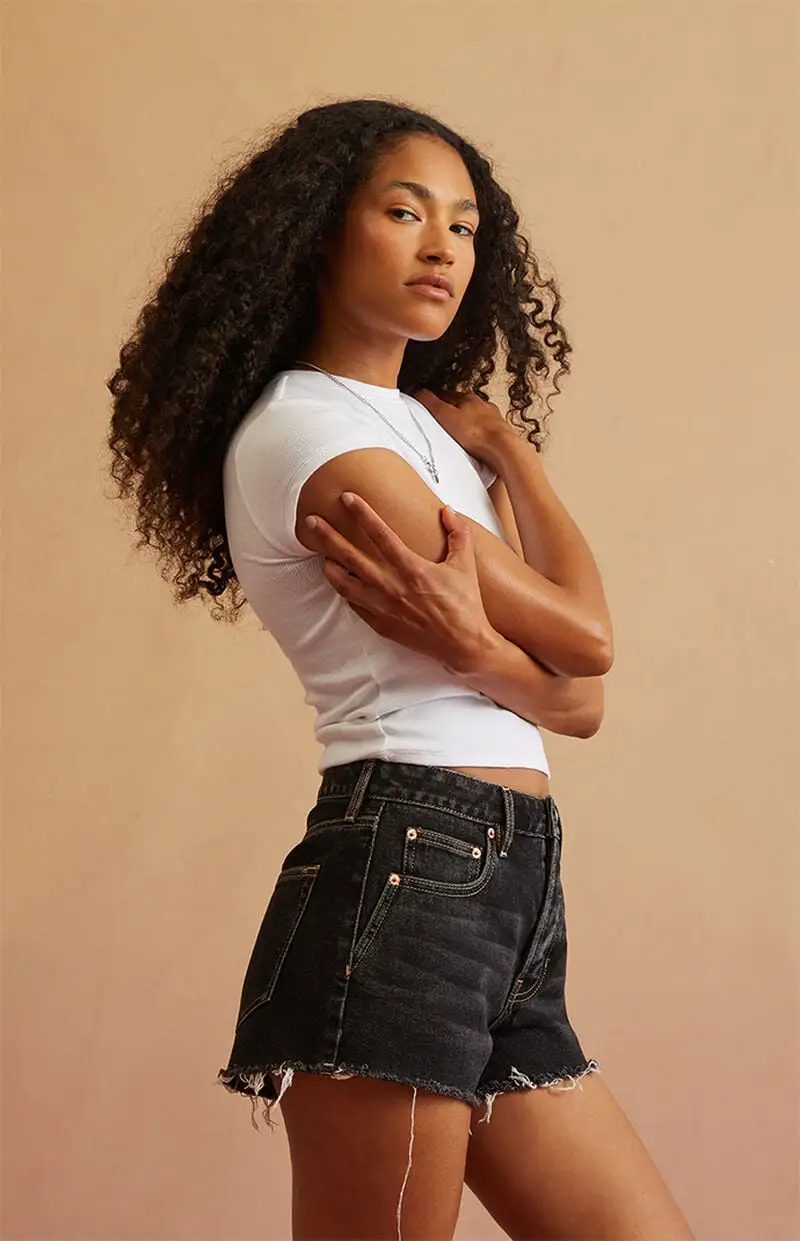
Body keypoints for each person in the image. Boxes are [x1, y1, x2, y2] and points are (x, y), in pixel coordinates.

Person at [106, 98, 695, 1241]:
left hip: (505, 886)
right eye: (404, 212)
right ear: (320, 229)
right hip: (408, 871)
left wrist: (507, 461)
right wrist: (508, 646)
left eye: (464, 226)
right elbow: (585, 638)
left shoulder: (425, 436)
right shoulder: (311, 433)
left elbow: (578, 703)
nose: (443, 248)